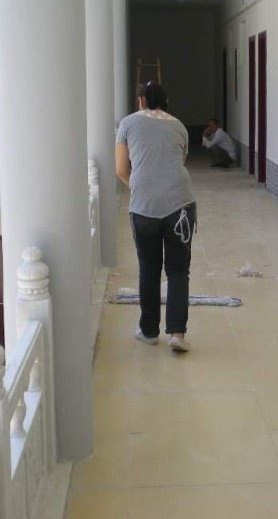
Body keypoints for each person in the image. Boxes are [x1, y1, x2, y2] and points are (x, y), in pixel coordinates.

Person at [115, 81, 196, 352]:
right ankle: (177, 334)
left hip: (143, 207)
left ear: (140, 100)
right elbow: (177, 164)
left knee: (149, 269)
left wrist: (141, 188)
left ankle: (149, 332)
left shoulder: (127, 123)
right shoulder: (180, 126)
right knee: (178, 270)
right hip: (181, 205)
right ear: (165, 101)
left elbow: (120, 169)